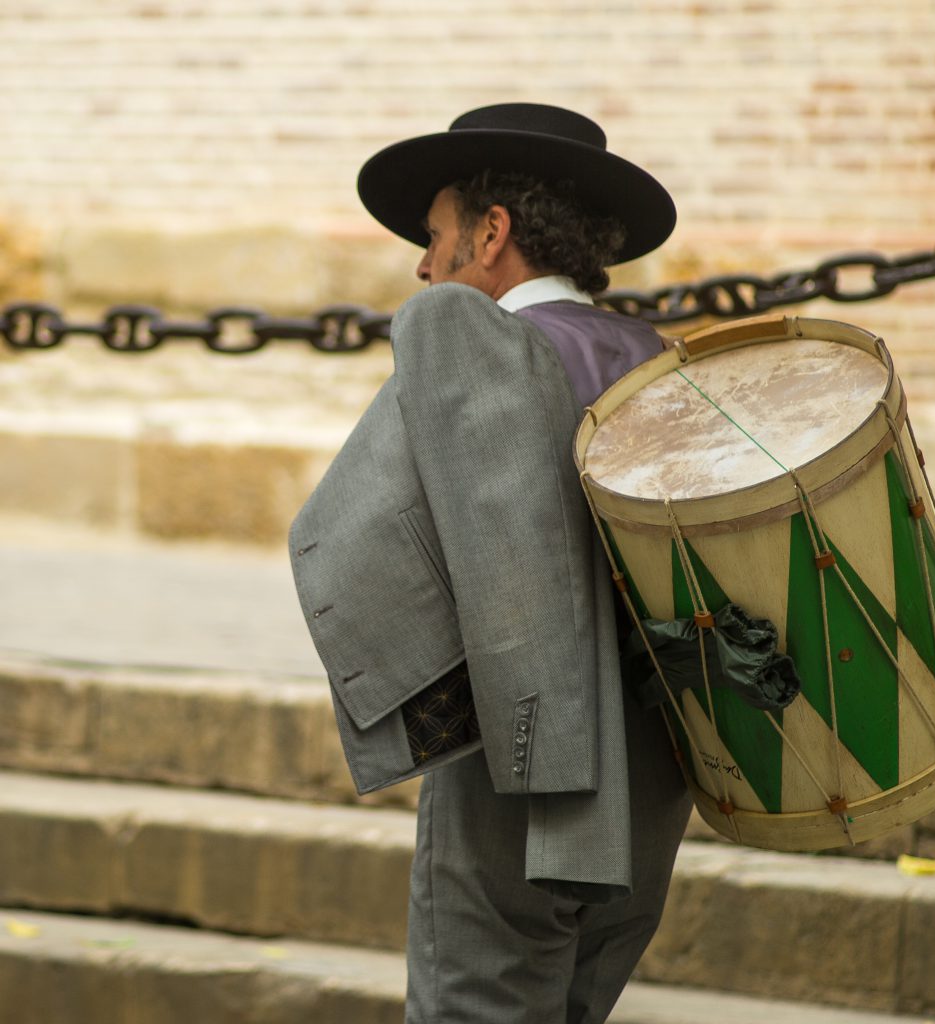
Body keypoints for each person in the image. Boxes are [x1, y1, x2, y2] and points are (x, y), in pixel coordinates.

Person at [290, 103, 693, 1024]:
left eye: (434, 239)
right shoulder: (657, 361)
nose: (425, 266)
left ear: (493, 233)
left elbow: (375, 540)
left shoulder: (475, 343)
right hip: (655, 776)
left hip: (519, 774)